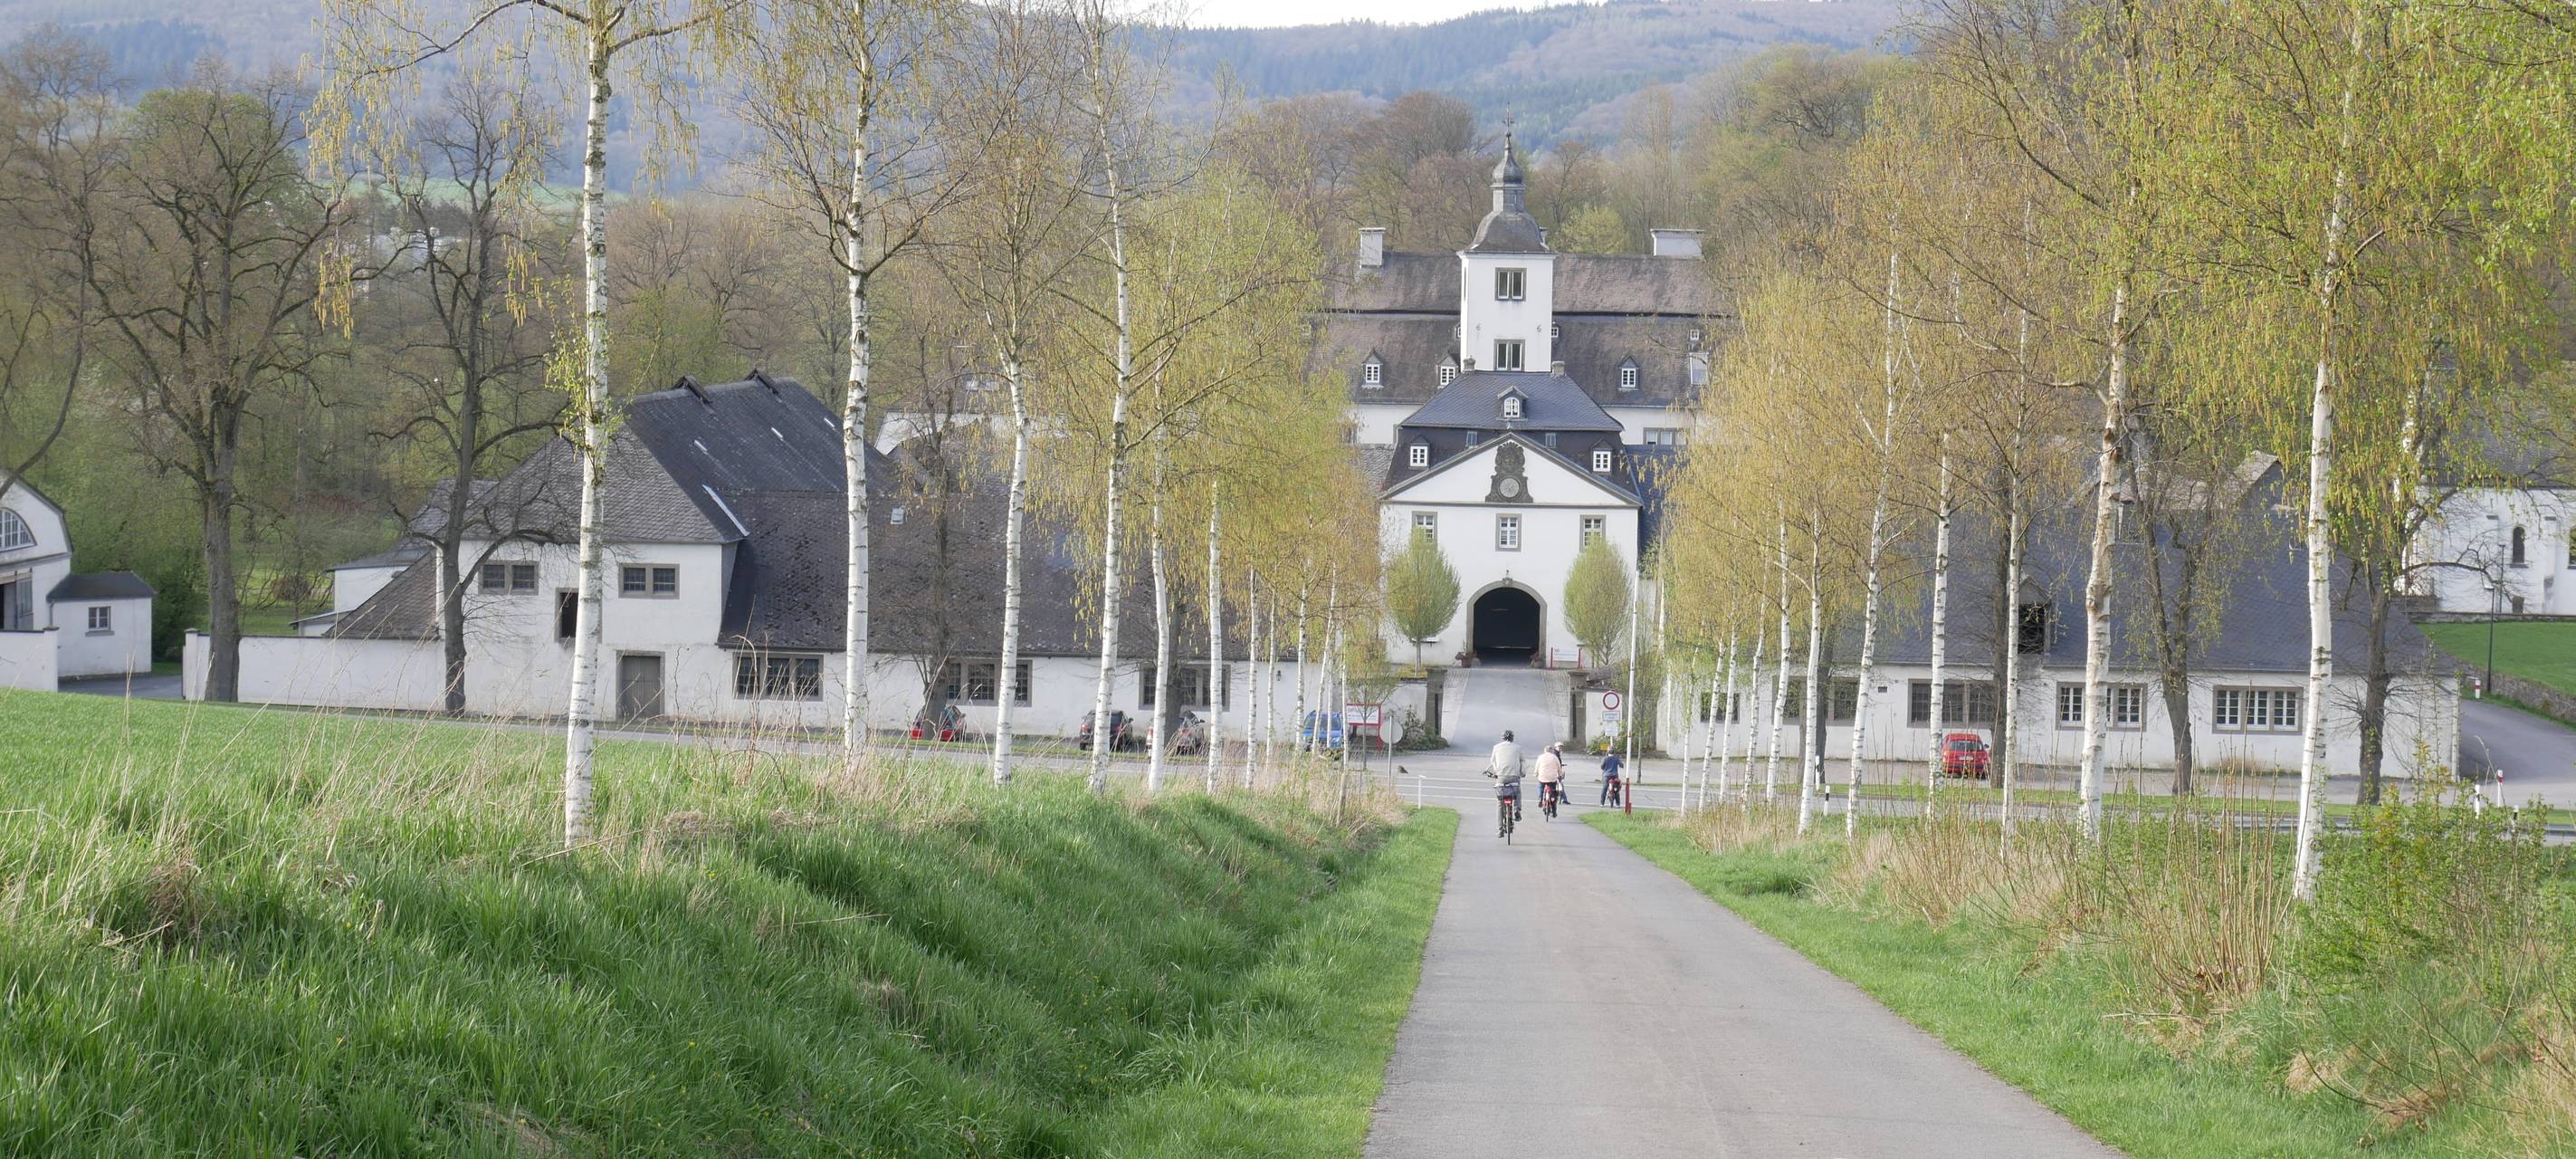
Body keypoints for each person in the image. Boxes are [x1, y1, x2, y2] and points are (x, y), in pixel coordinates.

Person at [1485, 729, 1525, 822]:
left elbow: (1493, 761)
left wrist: (1496, 772)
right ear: (1512, 739)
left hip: (1501, 777)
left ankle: (1499, 829)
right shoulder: (1517, 748)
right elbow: (1523, 761)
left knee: (1500, 801)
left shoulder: (1496, 747)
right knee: (1517, 791)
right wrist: (1522, 773)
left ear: (1503, 738)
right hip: (1514, 776)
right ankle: (1517, 808)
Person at [1533, 742, 1567, 812]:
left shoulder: (1540, 757)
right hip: (1552, 778)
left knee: (1541, 786)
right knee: (1553, 791)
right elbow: (1559, 767)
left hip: (1542, 777)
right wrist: (1560, 774)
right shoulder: (1555, 757)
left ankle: (1540, 798)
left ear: (1545, 751)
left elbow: (1537, 767)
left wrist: (1536, 773)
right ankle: (1554, 810)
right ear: (1551, 751)